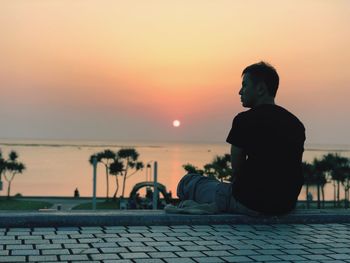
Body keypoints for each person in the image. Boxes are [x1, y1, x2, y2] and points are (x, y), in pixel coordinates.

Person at [171, 61, 305, 216]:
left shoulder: (244, 120)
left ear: (260, 89)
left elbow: (237, 167)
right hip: (285, 205)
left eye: (245, 85)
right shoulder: (296, 124)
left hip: (250, 202)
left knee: (188, 182)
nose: (240, 92)